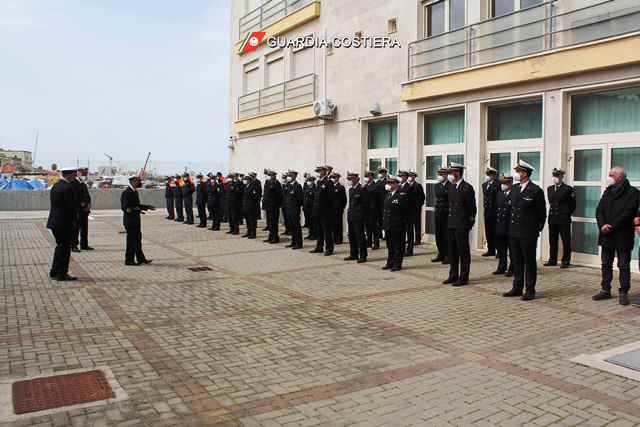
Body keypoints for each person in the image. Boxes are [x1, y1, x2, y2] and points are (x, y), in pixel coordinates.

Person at [593, 167, 639, 305]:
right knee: (606, 263)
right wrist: (602, 225)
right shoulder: (608, 191)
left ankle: (624, 291)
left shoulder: (633, 193)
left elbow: (629, 213)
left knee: (623, 265)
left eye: (611, 175)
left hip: (622, 235)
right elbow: (599, 210)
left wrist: (611, 226)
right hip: (606, 234)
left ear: (619, 177)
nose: (608, 177)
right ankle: (605, 290)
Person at [503, 160, 547, 301]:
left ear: (525, 173)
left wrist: (535, 229)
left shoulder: (535, 190)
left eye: (519, 172)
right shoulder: (515, 188)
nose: (517, 174)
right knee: (516, 261)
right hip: (514, 232)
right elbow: (511, 210)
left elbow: (542, 214)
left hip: (528, 233)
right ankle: (517, 287)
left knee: (529, 262)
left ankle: (530, 290)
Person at [443, 163, 476, 287]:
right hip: (451, 223)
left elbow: (472, 208)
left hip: (462, 224)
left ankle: (463, 277)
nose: (450, 175)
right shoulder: (451, 187)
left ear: (458, 172)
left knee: (463, 251)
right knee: (452, 251)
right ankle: (453, 275)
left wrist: (469, 223)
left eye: (452, 172)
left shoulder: (467, 188)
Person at [47, 167, 78, 281]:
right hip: (64, 223)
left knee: (60, 247)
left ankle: (54, 271)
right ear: (68, 175)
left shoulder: (56, 185)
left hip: (55, 221)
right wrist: (75, 221)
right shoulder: (68, 187)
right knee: (65, 249)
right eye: (74, 175)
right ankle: (62, 273)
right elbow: (71, 207)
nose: (75, 177)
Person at [544, 168, 576, 269]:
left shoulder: (568, 189)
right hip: (553, 217)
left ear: (562, 177)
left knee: (566, 240)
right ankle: (552, 259)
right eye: (554, 176)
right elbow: (551, 201)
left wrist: (566, 213)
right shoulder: (550, 188)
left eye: (557, 176)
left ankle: (565, 260)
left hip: (563, 218)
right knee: (552, 240)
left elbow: (573, 205)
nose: (555, 178)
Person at [121, 176, 154, 266]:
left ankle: (141, 258)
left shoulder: (134, 192)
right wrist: (132, 209)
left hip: (136, 220)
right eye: (138, 181)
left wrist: (147, 207)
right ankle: (129, 260)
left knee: (138, 240)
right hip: (130, 221)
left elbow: (137, 205)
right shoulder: (126, 193)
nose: (140, 182)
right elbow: (124, 207)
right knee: (131, 241)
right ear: (132, 182)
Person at [382, 176, 409, 272]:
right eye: (388, 183)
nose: (388, 185)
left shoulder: (402, 195)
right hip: (388, 224)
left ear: (396, 184)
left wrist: (402, 224)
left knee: (398, 246)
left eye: (391, 183)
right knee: (390, 245)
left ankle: (397, 264)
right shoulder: (388, 195)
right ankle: (390, 262)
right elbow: (385, 211)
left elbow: (405, 212)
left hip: (397, 225)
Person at [311, 165, 335, 256]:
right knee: (319, 230)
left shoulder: (329, 182)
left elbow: (330, 198)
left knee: (327, 230)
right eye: (319, 171)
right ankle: (319, 247)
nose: (320, 173)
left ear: (325, 172)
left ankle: (329, 248)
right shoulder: (319, 182)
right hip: (318, 210)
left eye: (321, 171)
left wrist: (328, 210)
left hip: (326, 211)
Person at [345, 172, 368, 263]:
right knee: (351, 236)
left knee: (360, 236)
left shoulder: (362, 189)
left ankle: (363, 255)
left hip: (358, 217)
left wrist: (361, 215)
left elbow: (366, 204)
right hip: (351, 216)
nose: (350, 181)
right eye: (349, 179)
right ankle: (353, 254)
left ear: (357, 179)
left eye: (352, 179)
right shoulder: (351, 190)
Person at [494, 175, 514, 276]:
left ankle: (512, 268)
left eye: (505, 183)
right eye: (502, 183)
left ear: (510, 183)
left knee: (512, 249)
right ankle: (502, 266)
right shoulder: (499, 194)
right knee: (501, 249)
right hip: (500, 225)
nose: (503, 185)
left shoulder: (514, 194)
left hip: (510, 226)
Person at [431, 168, 450, 264]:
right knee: (438, 235)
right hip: (438, 212)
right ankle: (440, 254)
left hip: (446, 213)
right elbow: (439, 194)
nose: (440, 176)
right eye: (439, 174)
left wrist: (444, 194)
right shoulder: (437, 185)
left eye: (442, 174)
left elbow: (445, 196)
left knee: (446, 235)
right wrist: (444, 194)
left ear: (446, 175)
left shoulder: (450, 185)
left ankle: (448, 255)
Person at [482, 167, 500, 257]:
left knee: (496, 231)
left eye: (490, 174)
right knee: (488, 230)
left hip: (495, 210)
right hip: (487, 210)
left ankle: (499, 250)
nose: (488, 176)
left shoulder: (498, 184)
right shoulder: (484, 185)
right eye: (487, 174)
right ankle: (490, 249)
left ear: (494, 175)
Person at [399, 170, 417, 257]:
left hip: (408, 214)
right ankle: (402, 250)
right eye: (400, 176)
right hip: (400, 214)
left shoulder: (409, 187)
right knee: (401, 233)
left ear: (406, 177)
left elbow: (413, 201)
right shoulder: (398, 187)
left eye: (402, 176)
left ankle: (410, 250)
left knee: (409, 233)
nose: (400, 178)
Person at [284, 170, 304, 249]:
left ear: (295, 176)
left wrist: (296, 207)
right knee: (292, 227)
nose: (289, 177)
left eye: (291, 175)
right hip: (288, 209)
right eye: (289, 175)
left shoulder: (297, 186)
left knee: (296, 227)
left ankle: (299, 243)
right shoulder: (288, 185)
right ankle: (293, 241)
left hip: (295, 210)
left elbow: (300, 199)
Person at [263, 169, 283, 243]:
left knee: (274, 223)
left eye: (272, 175)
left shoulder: (277, 183)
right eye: (270, 175)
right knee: (269, 223)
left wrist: (278, 204)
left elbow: (280, 195)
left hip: (274, 207)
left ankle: (275, 238)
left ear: (275, 176)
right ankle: (270, 236)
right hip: (268, 206)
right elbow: (265, 194)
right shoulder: (267, 182)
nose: (271, 177)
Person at [76, 168, 93, 251]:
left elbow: (86, 195)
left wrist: (88, 204)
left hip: (85, 210)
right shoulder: (76, 183)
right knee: (76, 228)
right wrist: (83, 204)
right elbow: (76, 197)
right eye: (83, 174)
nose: (84, 175)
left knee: (84, 228)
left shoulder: (82, 182)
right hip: (79, 209)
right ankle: (74, 245)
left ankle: (84, 244)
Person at [364, 171, 381, 250]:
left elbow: (378, 198)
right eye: (366, 176)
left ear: (372, 177)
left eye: (368, 176)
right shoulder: (365, 186)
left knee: (374, 227)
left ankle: (376, 243)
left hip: (373, 209)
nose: (367, 178)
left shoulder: (375, 186)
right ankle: (369, 242)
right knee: (367, 227)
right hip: (366, 210)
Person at [409, 171, 426, 246]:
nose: (410, 177)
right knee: (409, 225)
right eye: (409, 175)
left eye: (412, 176)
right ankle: (410, 240)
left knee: (417, 224)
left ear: (414, 177)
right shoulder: (407, 185)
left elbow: (422, 197)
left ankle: (417, 240)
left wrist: (418, 205)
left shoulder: (418, 185)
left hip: (416, 208)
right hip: (409, 208)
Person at [331, 172, 347, 245]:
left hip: (338, 209)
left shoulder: (341, 187)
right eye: (333, 178)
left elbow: (344, 199)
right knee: (333, 224)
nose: (334, 179)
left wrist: (341, 208)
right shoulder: (330, 187)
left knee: (338, 224)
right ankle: (334, 238)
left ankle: (339, 239)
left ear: (338, 178)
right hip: (331, 209)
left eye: (335, 178)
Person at [70, 171, 82, 253]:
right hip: (72, 209)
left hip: (77, 209)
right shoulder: (72, 183)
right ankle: (73, 245)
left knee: (76, 228)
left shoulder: (77, 182)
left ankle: (74, 244)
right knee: (73, 228)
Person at [303, 173, 317, 240]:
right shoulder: (306, 188)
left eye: (310, 180)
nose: (308, 182)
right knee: (309, 222)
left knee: (313, 223)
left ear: (313, 181)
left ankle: (314, 235)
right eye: (308, 180)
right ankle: (310, 234)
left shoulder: (315, 188)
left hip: (312, 208)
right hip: (306, 208)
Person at [376, 168, 388, 240]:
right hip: (378, 204)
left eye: (382, 173)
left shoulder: (387, 182)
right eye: (380, 173)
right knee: (379, 220)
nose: (381, 174)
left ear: (385, 173)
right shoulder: (377, 182)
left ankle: (386, 235)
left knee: (385, 220)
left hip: (384, 203)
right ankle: (380, 234)